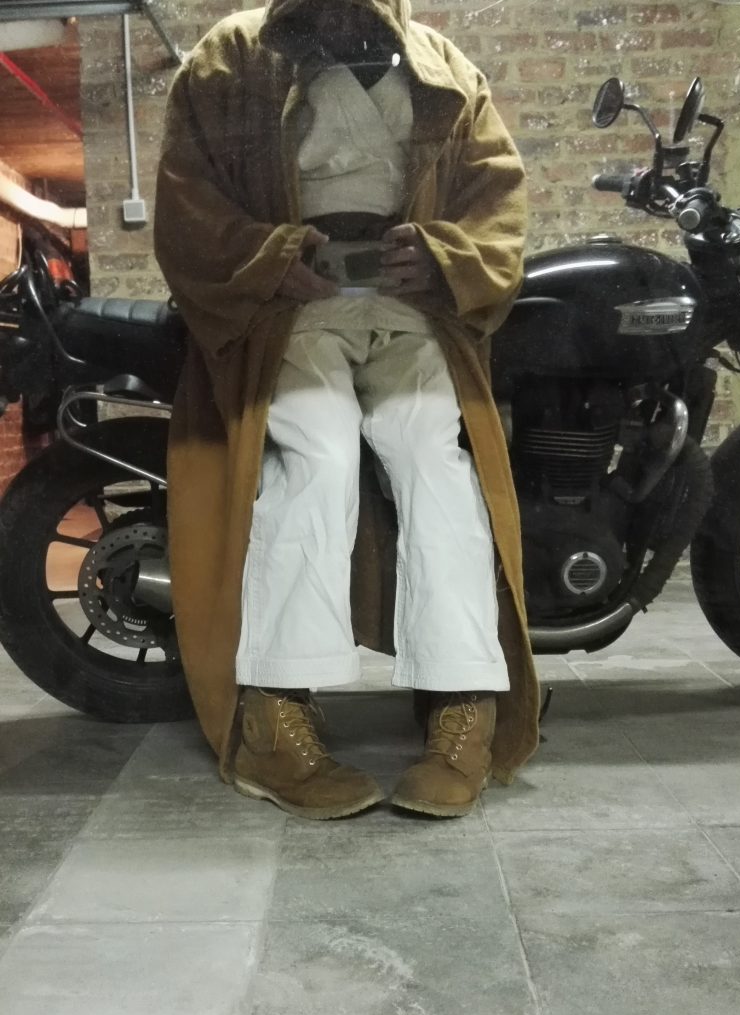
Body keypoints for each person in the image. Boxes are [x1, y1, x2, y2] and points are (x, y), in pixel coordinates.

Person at [153, 0, 541, 821]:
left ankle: (463, 705)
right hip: (288, 308)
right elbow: (187, 203)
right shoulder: (226, 57)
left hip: (411, 306)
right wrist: (269, 259)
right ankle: (273, 718)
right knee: (317, 455)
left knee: (433, 455)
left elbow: (495, 198)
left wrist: (442, 257)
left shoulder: (443, 66)